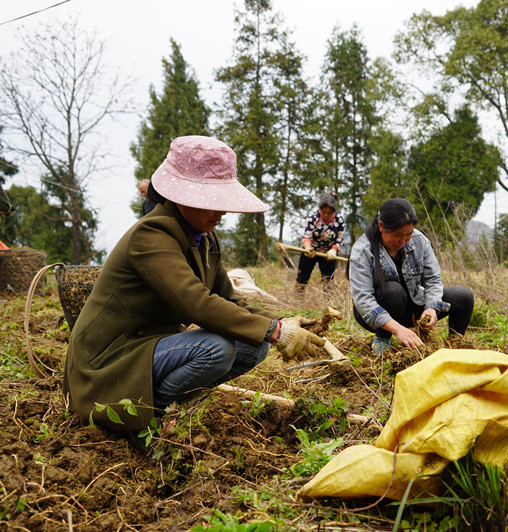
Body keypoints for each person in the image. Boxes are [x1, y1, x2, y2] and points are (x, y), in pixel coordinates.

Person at [63, 135, 325, 439]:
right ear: (184, 196)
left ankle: (157, 407)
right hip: (107, 364)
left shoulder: (204, 238)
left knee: (255, 346)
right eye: (214, 201)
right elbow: (196, 303)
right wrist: (275, 331)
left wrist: (279, 324)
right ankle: (151, 417)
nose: (223, 211)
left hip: (147, 347)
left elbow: (227, 298)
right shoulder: (152, 235)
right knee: (217, 348)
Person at [349, 198, 474, 354]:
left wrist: (432, 308)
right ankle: (383, 339)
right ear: (382, 227)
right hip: (376, 313)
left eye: (408, 234)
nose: (403, 240)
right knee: (393, 290)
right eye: (398, 235)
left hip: (412, 304)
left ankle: (455, 346)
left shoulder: (419, 240)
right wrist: (398, 329)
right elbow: (363, 300)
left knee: (463, 296)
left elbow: (433, 280)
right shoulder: (362, 251)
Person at [296, 192, 345, 291]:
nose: (326, 215)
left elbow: (339, 238)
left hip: (328, 252)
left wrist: (334, 250)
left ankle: (329, 302)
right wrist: (308, 248)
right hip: (311, 250)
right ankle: (298, 298)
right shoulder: (313, 218)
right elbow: (307, 236)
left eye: (329, 213)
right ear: (320, 210)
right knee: (302, 277)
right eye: (323, 212)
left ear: (334, 212)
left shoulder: (339, 220)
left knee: (328, 280)